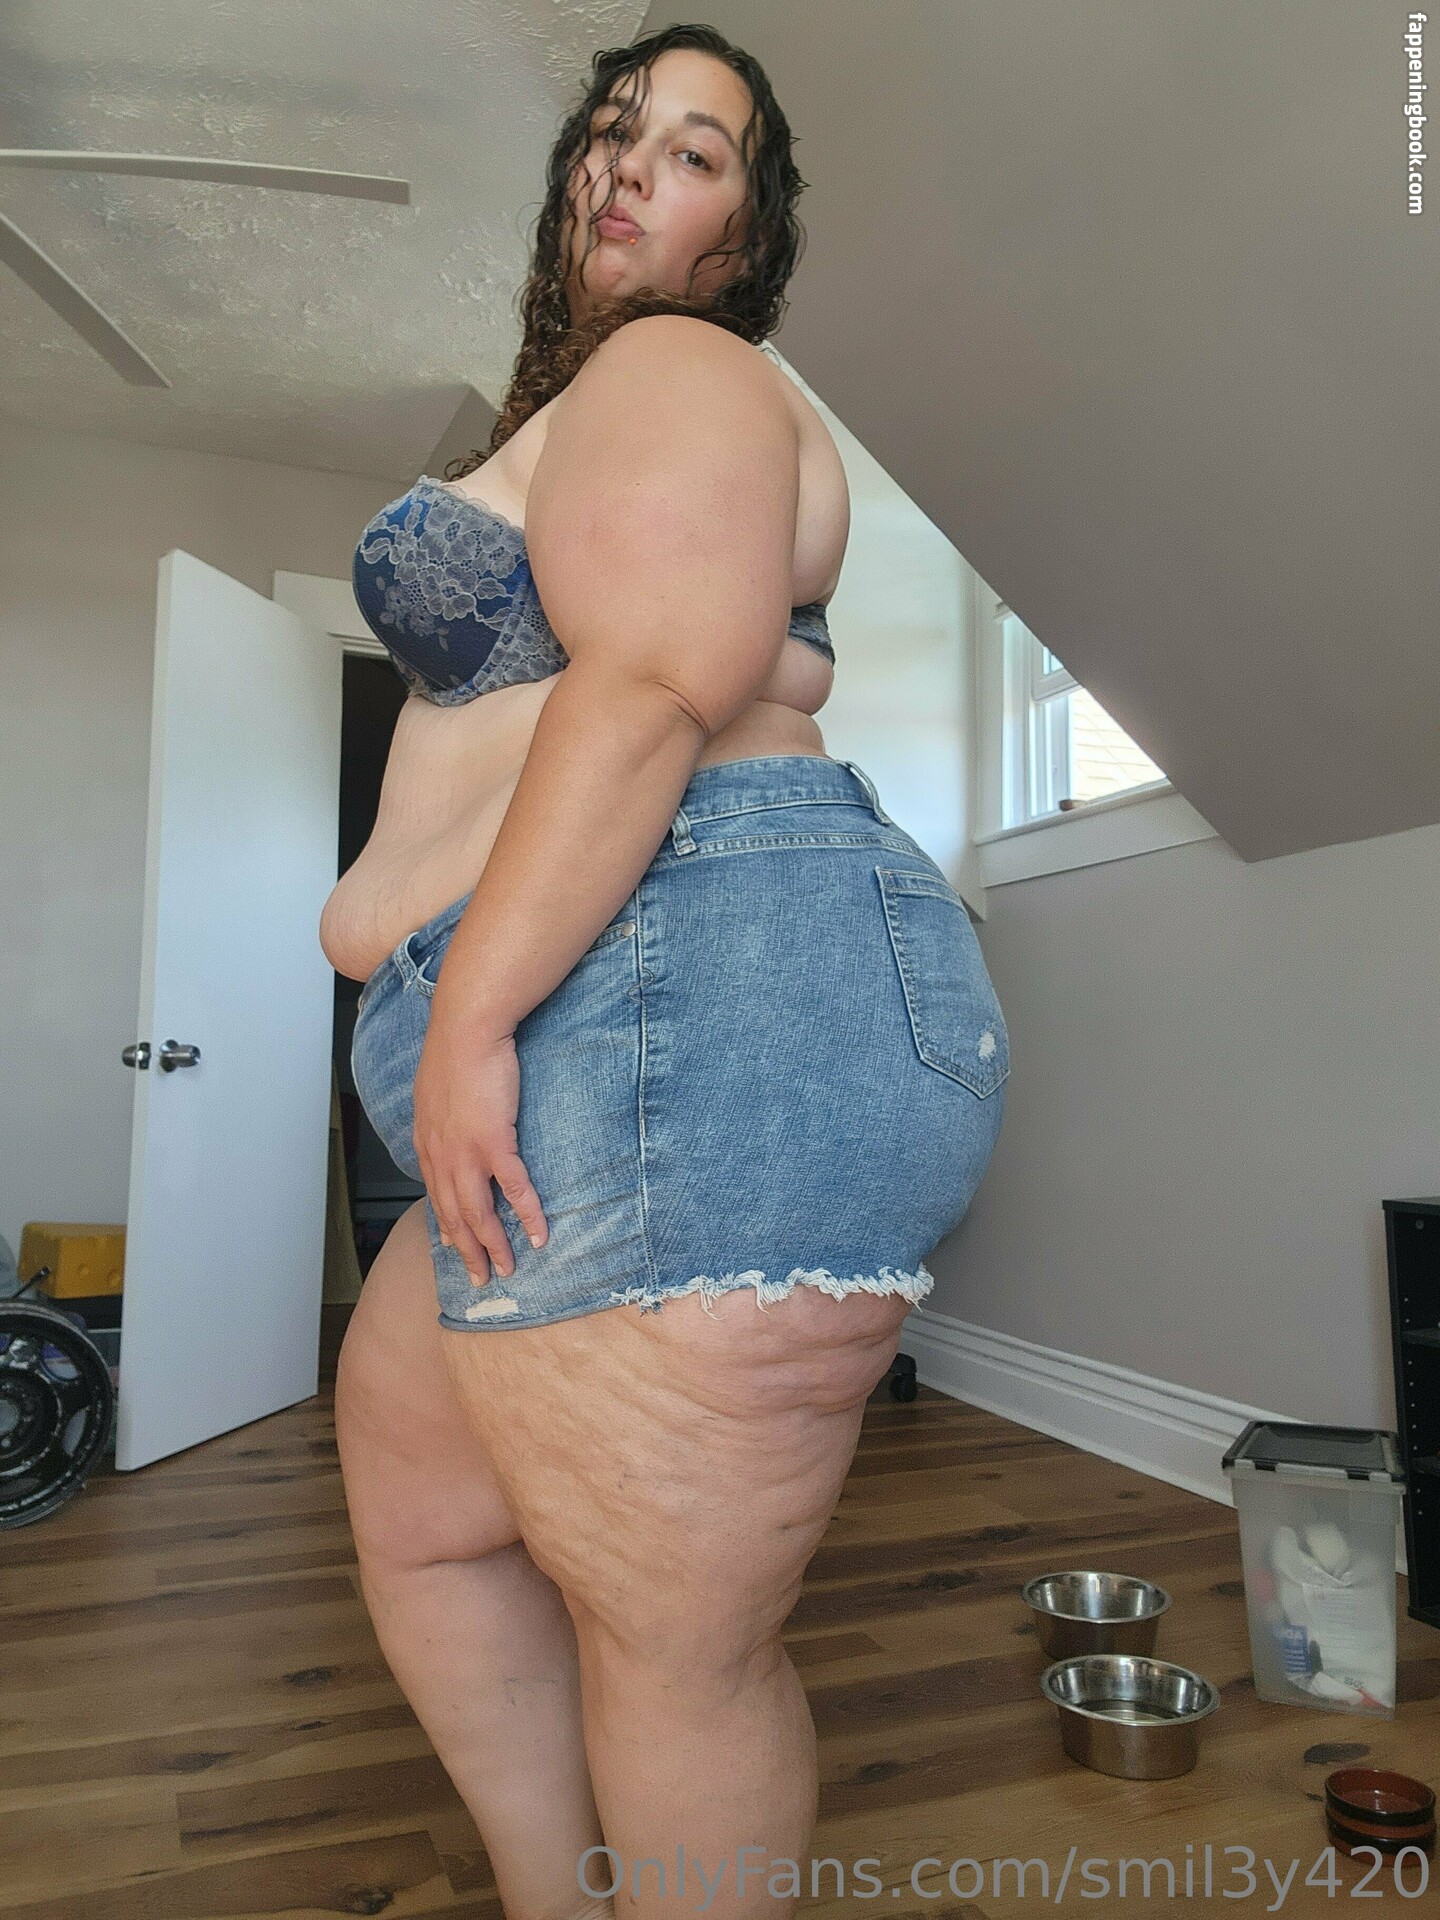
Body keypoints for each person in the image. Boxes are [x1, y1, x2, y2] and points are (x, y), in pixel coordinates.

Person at [326, 24, 1008, 1920]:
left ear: (747, 233)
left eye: (697, 151)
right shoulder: (610, 405)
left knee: (671, 1641)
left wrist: (466, 1018)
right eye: (618, 130)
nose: (635, 164)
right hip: (615, 1017)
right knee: (426, 1511)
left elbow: (649, 684)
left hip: (670, 1008)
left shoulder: (681, 365)